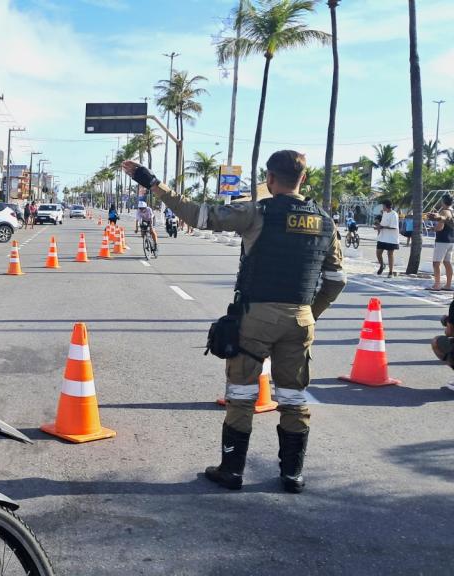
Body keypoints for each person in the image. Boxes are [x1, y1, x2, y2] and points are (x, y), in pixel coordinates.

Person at [123, 150, 346, 494]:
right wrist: (308, 314)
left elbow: (197, 214)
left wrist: (151, 182)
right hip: (301, 319)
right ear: (303, 179)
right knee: (293, 397)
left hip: (256, 317)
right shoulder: (325, 222)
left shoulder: (256, 211)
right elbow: (336, 280)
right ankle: (292, 475)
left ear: (270, 179)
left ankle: (232, 471)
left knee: (242, 394)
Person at [428, 194, 454, 291]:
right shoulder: (452, 211)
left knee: (436, 263)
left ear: (443, 201)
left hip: (442, 240)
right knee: (447, 262)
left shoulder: (444, 211)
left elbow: (440, 227)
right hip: (451, 240)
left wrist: (433, 229)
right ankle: (448, 285)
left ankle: (437, 285)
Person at [375, 199, 400, 277]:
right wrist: (378, 227)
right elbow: (382, 224)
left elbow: (393, 227)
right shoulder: (384, 213)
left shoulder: (394, 214)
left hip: (391, 238)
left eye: (383, 206)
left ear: (386, 206)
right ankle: (382, 265)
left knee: (390, 254)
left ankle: (390, 272)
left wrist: (382, 227)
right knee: (378, 252)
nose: (382, 207)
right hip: (382, 237)